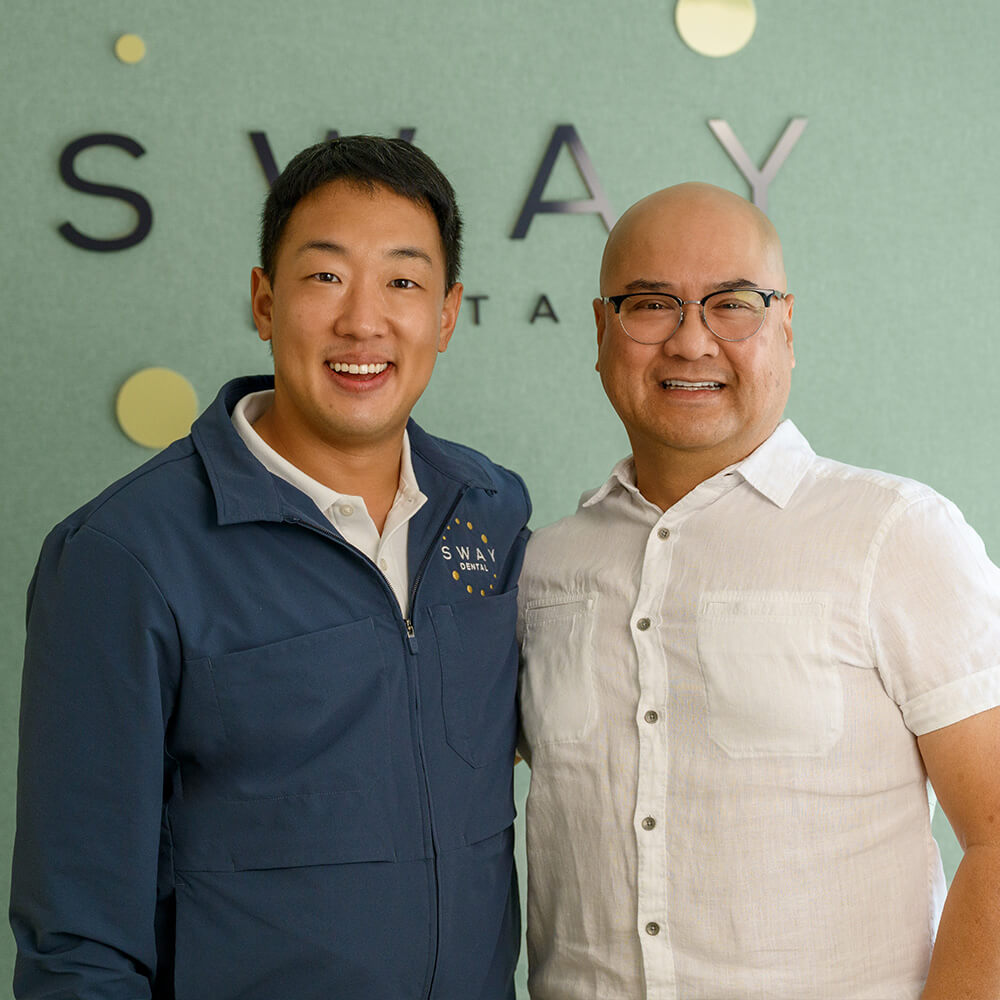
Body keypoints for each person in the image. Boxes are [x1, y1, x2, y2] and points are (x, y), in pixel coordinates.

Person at [11, 135, 530, 1000]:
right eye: (325, 276)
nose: (363, 321)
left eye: (403, 281)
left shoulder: (489, 509)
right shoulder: (123, 555)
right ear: (263, 299)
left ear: (446, 313)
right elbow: (77, 939)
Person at [517, 181, 1000, 999]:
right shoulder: (541, 572)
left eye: (732, 303)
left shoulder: (895, 534)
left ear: (784, 325)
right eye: (650, 305)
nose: (692, 341)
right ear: (602, 333)